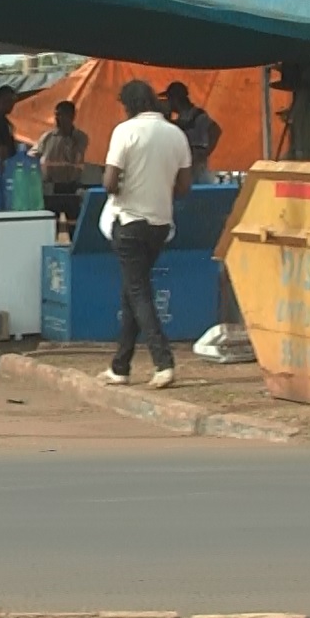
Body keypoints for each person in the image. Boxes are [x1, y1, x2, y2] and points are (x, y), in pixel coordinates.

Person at [97, 79, 192, 390]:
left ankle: (163, 362)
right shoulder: (176, 134)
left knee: (138, 293)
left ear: (129, 104)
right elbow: (183, 187)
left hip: (129, 221)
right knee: (131, 291)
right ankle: (120, 366)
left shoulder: (125, 132)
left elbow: (110, 183)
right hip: (160, 225)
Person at [33, 100, 89, 223]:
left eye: (62, 115)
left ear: (72, 116)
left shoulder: (79, 137)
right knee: (50, 221)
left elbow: (76, 154)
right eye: (56, 115)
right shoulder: (47, 137)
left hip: (72, 186)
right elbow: (33, 155)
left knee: (74, 222)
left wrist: (67, 134)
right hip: (51, 187)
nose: (58, 118)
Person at [161, 82, 223, 184]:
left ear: (175, 99)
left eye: (169, 99)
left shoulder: (197, 115)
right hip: (185, 165)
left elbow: (215, 130)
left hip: (196, 165)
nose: (168, 102)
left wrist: (206, 152)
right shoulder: (182, 117)